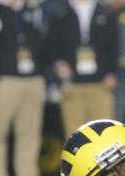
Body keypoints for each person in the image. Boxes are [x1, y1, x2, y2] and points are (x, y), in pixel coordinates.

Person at [0, 0, 51, 176]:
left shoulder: (32, 10)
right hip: (5, 79)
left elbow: (44, 43)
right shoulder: (0, 10)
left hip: (32, 79)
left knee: (30, 134)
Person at [46, 0, 119, 138]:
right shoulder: (60, 13)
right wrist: (58, 64)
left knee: (103, 134)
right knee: (75, 135)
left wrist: (112, 73)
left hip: (101, 83)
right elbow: (51, 45)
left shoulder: (107, 12)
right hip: (71, 84)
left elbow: (114, 47)